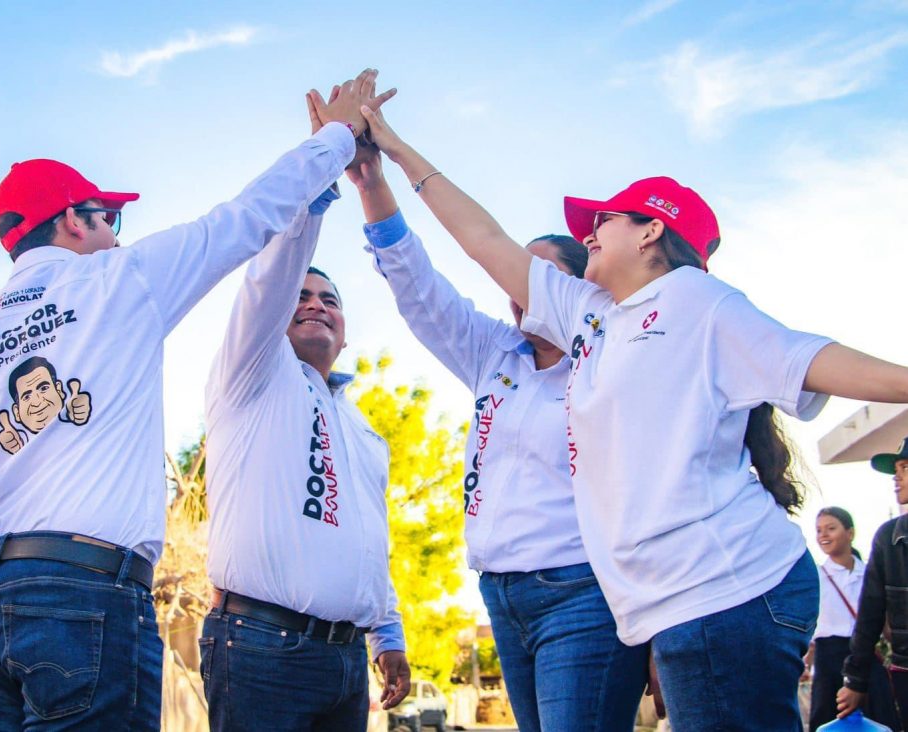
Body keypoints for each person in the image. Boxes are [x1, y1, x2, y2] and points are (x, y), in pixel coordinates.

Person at [338, 97, 908, 731]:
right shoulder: (590, 316)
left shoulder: (697, 300)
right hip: (679, 600)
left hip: (730, 589)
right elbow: (484, 240)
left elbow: (813, 357)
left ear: (650, 231)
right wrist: (394, 148)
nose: (589, 232)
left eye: (603, 219)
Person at [0, 69, 385, 729]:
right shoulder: (120, 280)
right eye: (108, 217)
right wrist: (336, 140)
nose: (116, 232)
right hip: (85, 597)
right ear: (73, 221)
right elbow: (247, 217)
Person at [337, 127, 647, 731]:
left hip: (584, 593)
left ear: (579, 289)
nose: (516, 285)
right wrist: (371, 183)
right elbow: (416, 286)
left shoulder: (614, 357)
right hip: (501, 596)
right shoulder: (493, 351)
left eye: (535, 273)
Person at [198, 80, 409, 732]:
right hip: (261, 650)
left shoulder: (363, 431)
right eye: (303, 296)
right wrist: (326, 158)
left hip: (345, 661)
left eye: (331, 301)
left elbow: (369, 538)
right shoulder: (253, 372)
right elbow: (273, 273)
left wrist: (389, 635)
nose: (315, 303)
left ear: (345, 332)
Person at [838, 438, 908, 726]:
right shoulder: (888, 539)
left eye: (905, 468)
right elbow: (869, 614)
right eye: (896, 469)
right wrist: (856, 680)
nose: (896, 477)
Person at [811, 507, 899, 729]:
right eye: (819, 530)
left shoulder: (870, 572)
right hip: (828, 658)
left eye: (831, 528)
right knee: (828, 721)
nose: (823, 535)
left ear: (850, 533)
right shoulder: (815, 577)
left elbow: (885, 622)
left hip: (865, 654)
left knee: (880, 719)